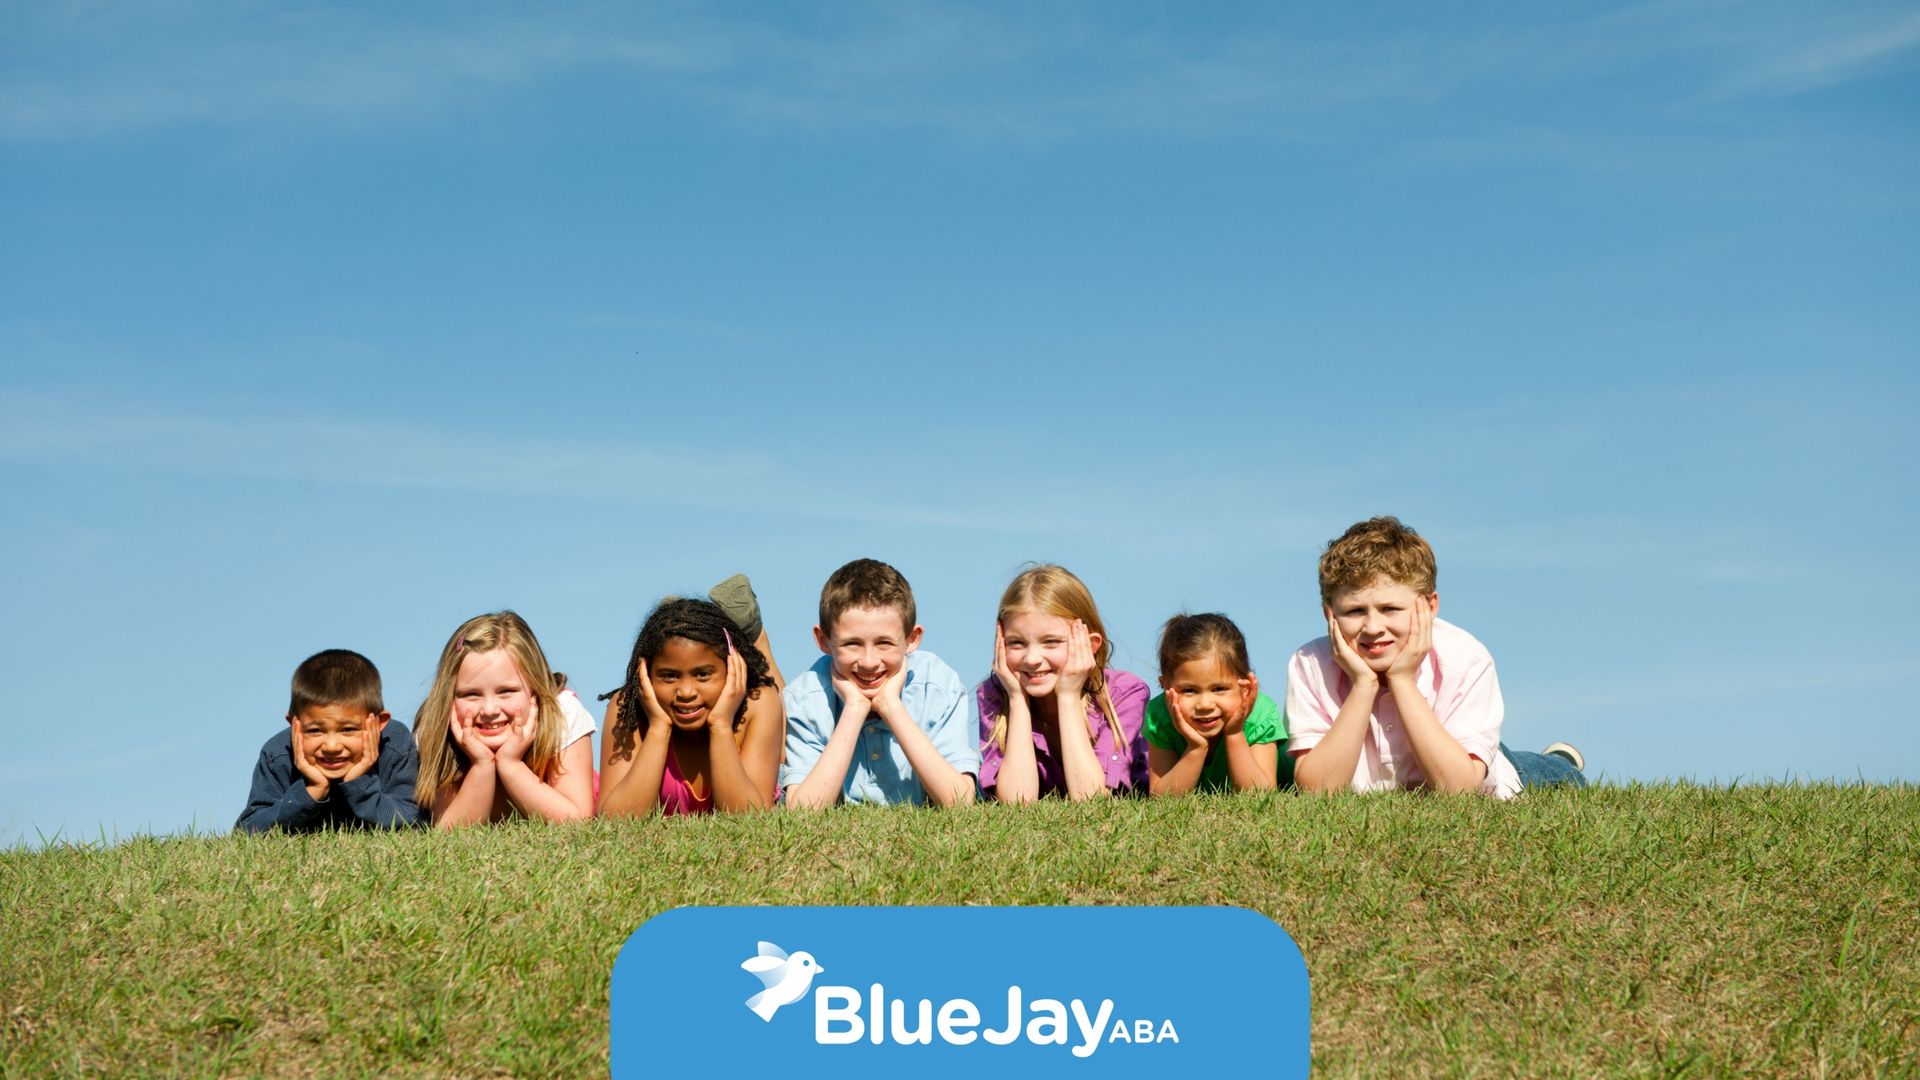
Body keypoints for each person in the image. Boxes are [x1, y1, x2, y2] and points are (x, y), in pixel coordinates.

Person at [1286, 516, 1587, 796]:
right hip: (1445, 753)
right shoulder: (1309, 664)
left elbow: (1458, 789)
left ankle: (1559, 760)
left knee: (1546, 773)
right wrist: (1364, 685)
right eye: (1354, 611)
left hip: (1478, 764)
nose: (1373, 628)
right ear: (1330, 614)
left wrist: (1402, 680)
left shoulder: (1465, 656)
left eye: (1390, 609)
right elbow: (1318, 792)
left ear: (1429, 607)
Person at [781, 558, 979, 808]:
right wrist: (854, 708)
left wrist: (890, 706)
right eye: (851, 644)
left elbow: (958, 802)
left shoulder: (938, 686)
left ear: (912, 639)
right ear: (823, 640)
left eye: (884, 643)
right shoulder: (805, 697)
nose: (868, 662)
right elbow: (803, 812)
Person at [976, 565, 1149, 801]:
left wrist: (1067, 696)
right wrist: (1017, 700)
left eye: (1051, 642)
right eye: (1016, 643)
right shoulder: (995, 693)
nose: (1032, 659)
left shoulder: (1124, 693)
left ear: (1090, 643)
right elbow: (1017, 802)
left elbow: (1091, 799)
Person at [598, 598, 784, 816]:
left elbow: (748, 817)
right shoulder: (627, 709)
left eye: (703, 674)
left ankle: (758, 639)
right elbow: (616, 820)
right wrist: (658, 728)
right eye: (669, 676)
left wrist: (721, 726)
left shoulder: (758, 703)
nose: (686, 692)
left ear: (732, 667)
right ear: (646, 674)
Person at [414, 610, 597, 825]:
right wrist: (481, 766)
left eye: (506, 691)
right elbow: (448, 834)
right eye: (470, 694)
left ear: (534, 689)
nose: (489, 710)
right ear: (449, 698)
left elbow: (578, 822)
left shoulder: (563, 713)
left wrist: (511, 764)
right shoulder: (435, 727)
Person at [235, 649, 426, 832]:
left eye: (348, 729)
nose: (331, 747)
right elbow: (247, 830)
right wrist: (310, 792)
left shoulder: (394, 744)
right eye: (316, 730)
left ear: (379, 723)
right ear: (295, 725)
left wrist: (359, 784)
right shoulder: (277, 754)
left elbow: (414, 821)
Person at [1144, 613, 1288, 795]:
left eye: (1219, 688)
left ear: (1245, 685)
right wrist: (1196, 748)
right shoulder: (1160, 716)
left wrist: (1235, 734)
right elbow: (1160, 801)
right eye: (1189, 690)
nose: (1205, 704)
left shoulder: (1261, 713)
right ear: (1165, 686)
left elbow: (1261, 797)